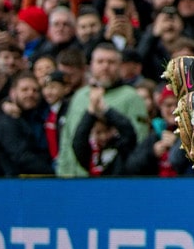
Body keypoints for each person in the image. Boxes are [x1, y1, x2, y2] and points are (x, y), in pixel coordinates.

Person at [57, 42, 151, 176]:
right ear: (91, 66)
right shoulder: (80, 96)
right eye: (100, 62)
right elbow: (66, 139)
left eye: (111, 62)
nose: (105, 67)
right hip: (74, 179)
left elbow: (139, 140)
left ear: (120, 66)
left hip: (116, 178)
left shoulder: (131, 97)